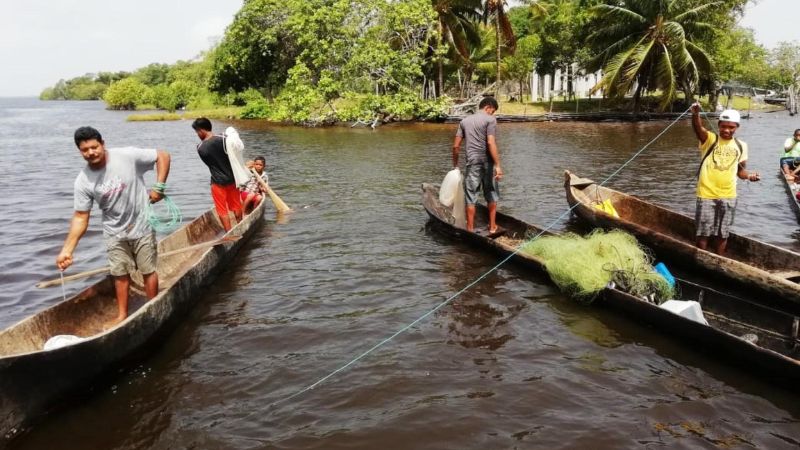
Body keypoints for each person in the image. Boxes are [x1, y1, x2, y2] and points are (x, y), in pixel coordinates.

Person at [56, 126, 171, 325]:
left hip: (141, 225)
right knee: (119, 274)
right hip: (114, 232)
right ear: (79, 151)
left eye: (94, 147)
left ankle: (153, 307)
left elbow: (163, 156)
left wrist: (159, 187)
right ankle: (122, 315)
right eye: (85, 150)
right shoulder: (83, 181)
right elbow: (81, 217)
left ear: (103, 144)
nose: (91, 152)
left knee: (148, 270)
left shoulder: (127, 156)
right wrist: (67, 250)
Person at [690, 103, 759, 255]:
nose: (727, 130)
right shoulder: (709, 139)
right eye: (723, 126)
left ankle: (719, 259)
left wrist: (749, 176)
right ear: (719, 125)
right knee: (703, 231)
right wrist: (695, 114)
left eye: (731, 127)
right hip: (706, 194)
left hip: (729, 195)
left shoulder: (741, 146)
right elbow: (698, 128)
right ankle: (701, 257)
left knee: (723, 233)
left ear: (737, 127)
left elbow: (740, 172)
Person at [451, 96, 504, 235]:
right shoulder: (490, 120)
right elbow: (491, 142)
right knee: (491, 193)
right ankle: (492, 227)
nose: (493, 114)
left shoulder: (464, 121)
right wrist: (498, 165)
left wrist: (455, 165)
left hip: (472, 162)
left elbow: (456, 146)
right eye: (493, 111)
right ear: (488, 107)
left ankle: (469, 230)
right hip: (488, 163)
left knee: (471, 196)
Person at [191, 117, 243, 231]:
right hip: (232, 180)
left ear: (201, 130)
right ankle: (241, 226)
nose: (197, 134)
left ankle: (229, 233)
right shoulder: (224, 138)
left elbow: (209, 164)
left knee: (222, 210)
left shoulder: (200, 148)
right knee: (236, 205)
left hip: (217, 182)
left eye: (197, 132)